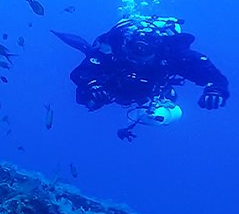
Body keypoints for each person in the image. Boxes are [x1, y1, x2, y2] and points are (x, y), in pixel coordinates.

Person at [53, 16, 229, 141]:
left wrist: (214, 90)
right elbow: (81, 72)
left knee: (166, 107)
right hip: (115, 84)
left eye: (143, 56)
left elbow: (214, 76)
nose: (136, 60)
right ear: (126, 47)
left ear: (157, 50)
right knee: (85, 99)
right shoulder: (115, 51)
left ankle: (159, 101)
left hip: (151, 89)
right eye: (133, 54)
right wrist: (93, 86)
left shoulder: (174, 55)